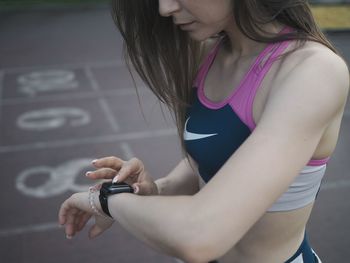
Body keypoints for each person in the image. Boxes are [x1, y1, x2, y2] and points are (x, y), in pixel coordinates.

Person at [58, 1, 349, 262]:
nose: (164, 8)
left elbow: (200, 236)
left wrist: (108, 199)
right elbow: (211, 160)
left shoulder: (313, 71)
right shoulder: (209, 53)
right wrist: (153, 190)